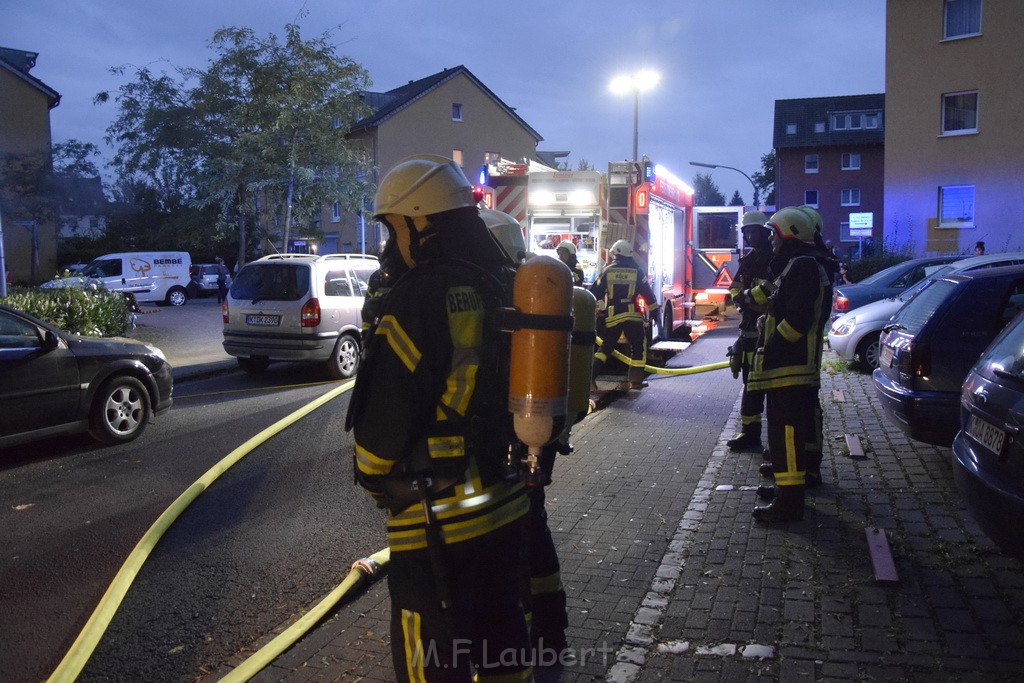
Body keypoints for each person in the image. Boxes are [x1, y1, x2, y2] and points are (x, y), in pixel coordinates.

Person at [344, 155, 533, 681]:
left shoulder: (419, 294)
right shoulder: (504, 282)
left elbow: (385, 417)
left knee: (429, 658)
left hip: (437, 517)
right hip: (505, 499)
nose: (391, 241)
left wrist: (374, 476)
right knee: (504, 641)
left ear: (420, 221)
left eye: (393, 226)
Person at [746, 207, 834, 523]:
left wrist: (771, 350)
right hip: (789, 368)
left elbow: (797, 321)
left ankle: (790, 502)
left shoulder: (804, 267)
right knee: (786, 435)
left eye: (774, 233)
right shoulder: (802, 264)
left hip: (789, 367)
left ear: (789, 235)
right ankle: (788, 491)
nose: (770, 238)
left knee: (786, 435)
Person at [725, 211, 771, 452]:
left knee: (768, 386)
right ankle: (750, 433)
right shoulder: (748, 260)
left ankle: (773, 442)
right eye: (747, 232)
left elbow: (769, 296)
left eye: (755, 231)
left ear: (765, 232)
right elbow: (734, 289)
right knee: (749, 384)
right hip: (748, 332)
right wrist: (743, 299)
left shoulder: (775, 259)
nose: (751, 235)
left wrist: (748, 300)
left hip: (768, 333)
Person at [590, 239, 658, 391]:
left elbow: (595, 293)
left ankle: (590, 379)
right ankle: (635, 380)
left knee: (606, 348)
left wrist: (595, 310)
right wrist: (655, 313)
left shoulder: (608, 270)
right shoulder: (637, 271)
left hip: (614, 314)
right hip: (633, 314)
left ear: (616, 254)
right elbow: (648, 294)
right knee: (638, 346)